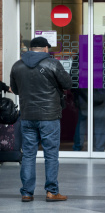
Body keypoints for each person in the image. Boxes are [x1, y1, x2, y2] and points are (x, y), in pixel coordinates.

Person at [10, 37, 72, 202]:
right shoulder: (52, 63)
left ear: (31, 48)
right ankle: (52, 192)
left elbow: (15, 90)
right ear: (45, 48)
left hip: (27, 116)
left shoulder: (17, 65)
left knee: (28, 154)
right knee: (51, 154)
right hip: (49, 116)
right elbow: (67, 83)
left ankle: (26, 193)